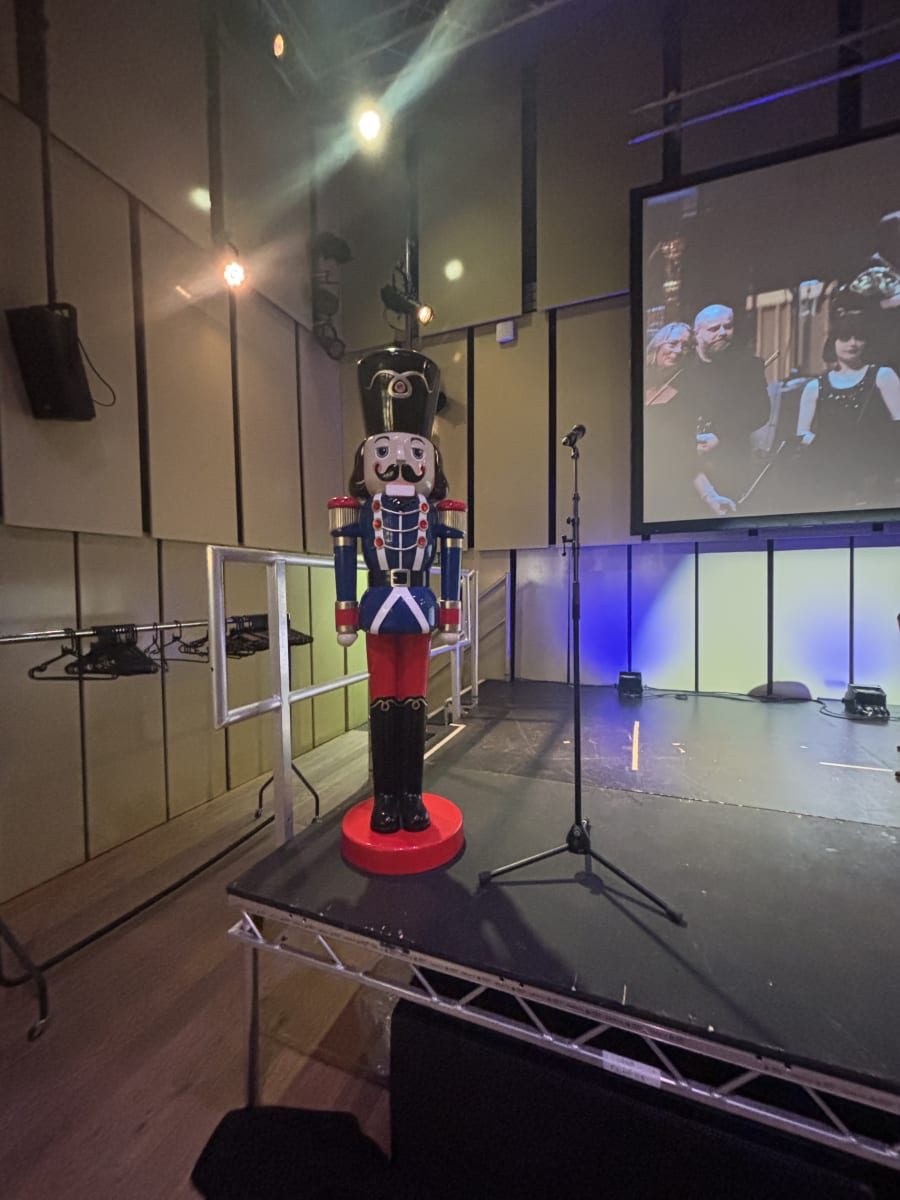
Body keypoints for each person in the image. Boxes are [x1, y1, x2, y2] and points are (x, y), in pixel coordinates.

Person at [328, 348, 466, 835]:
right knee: (383, 699)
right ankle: (385, 795)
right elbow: (344, 561)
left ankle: (412, 794)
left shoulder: (442, 512)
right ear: (365, 459)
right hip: (378, 607)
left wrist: (450, 615)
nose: (400, 461)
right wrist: (345, 615)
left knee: (416, 701)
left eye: (415, 452)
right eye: (384, 452)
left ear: (432, 461)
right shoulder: (356, 511)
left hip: (421, 608)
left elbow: (452, 562)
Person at [796, 313, 900, 510]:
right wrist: (828, 446)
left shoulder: (883, 376)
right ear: (832, 342)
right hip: (831, 474)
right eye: (845, 337)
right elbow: (801, 433)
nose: (853, 343)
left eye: (859, 337)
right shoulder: (815, 386)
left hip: (875, 475)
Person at [680, 304, 772, 516]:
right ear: (697, 334)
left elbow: (760, 411)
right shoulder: (682, 368)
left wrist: (720, 436)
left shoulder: (748, 365)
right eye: (714, 328)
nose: (722, 333)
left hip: (731, 464)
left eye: (728, 327)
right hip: (687, 466)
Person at [644, 322, 692, 406]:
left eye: (685, 346)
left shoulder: (687, 386)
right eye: (672, 344)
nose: (679, 350)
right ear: (658, 345)